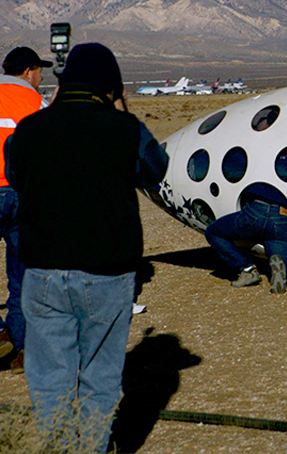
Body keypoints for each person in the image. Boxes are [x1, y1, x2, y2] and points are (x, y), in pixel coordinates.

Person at [6, 42, 168, 452]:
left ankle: (60, 448)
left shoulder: (31, 128)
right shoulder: (125, 129)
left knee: (50, 378)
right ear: (110, 87)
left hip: (42, 273)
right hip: (107, 273)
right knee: (100, 377)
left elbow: (16, 174)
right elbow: (155, 170)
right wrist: (123, 110)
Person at [0, 47, 51, 373]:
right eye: (40, 71)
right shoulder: (37, 103)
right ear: (29, 71)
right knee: (21, 276)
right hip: (23, 193)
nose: (41, 77)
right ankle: (20, 349)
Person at [204, 182, 287, 294]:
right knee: (281, 247)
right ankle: (284, 270)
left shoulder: (261, 173)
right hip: (283, 217)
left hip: (256, 211)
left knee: (213, 232)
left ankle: (247, 269)